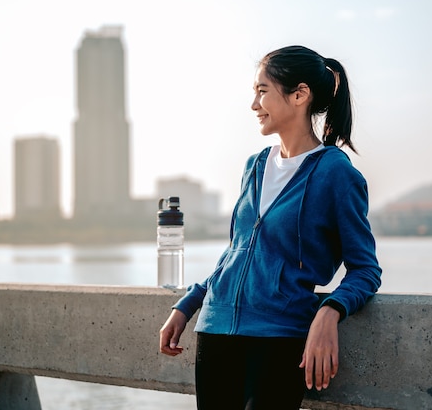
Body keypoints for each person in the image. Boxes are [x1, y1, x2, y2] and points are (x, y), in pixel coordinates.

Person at [159, 45, 382, 410]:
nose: (254, 104)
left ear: (300, 94)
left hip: (278, 338)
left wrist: (330, 311)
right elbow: (237, 253)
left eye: (262, 91)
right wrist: (189, 303)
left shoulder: (335, 173)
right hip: (216, 331)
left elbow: (366, 269)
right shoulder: (255, 166)